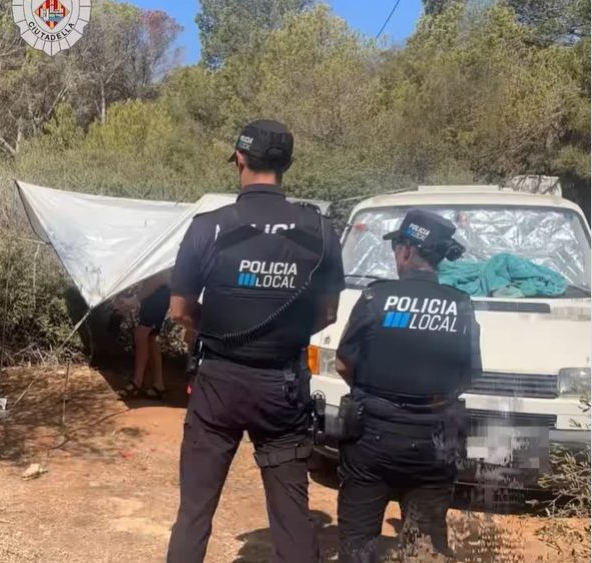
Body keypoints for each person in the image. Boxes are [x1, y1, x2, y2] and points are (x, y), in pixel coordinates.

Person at [167, 119, 345, 563]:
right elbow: (328, 314)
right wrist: (276, 336)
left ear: (240, 160)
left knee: (194, 512)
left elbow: (179, 311)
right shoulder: (321, 231)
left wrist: (222, 330)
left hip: (218, 385)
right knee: (290, 514)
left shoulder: (209, 226)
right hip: (283, 386)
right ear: (286, 165)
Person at [335, 209, 482, 562]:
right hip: (435, 440)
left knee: (358, 542)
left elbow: (343, 363)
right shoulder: (461, 305)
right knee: (425, 547)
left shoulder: (375, 299)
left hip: (372, 438)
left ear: (406, 251)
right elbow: (470, 375)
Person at [116, 271, 171, 400]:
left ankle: (137, 382)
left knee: (141, 333)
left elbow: (156, 280)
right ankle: (158, 385)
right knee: (152, 336)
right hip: (158, 293)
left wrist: (133, 300)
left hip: (159, 292)